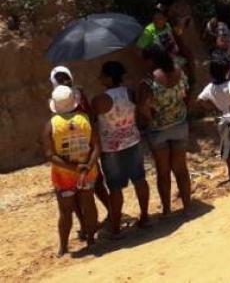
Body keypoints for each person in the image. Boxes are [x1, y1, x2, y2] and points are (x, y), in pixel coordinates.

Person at [90, 61, 150, 237]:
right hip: (133, 142)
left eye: (102, 74)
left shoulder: (99, 100)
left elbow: (93, 123)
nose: (99, 77)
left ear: (109, 78)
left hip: (111, 149)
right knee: (140, 180)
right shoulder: (130, 93)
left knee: (115, 188)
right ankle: (145, 217)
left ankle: (115, 228)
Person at [45, 85, 100, 256]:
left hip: (64, 175)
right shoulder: (85, 119)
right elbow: (96, 148)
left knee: (65, 211)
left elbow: (50, 155)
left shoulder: (51, 125)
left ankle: (63, 247)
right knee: (89, 204)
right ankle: (91, 238)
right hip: (87, 172)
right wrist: (85, 168)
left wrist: (72, 168)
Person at [138, 45, 191, 216]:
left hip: (158, 129)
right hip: (179, 124)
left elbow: (143, 107)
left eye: (145, 61)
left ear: (151, 61)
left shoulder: (148, 82)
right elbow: (186, 93)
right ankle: (187, 206)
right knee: (181, 168)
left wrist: (149, 120)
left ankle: (167, 209)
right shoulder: (179, 72)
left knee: (163, 171)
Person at [197, 58, 230, 183]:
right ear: (227, 71)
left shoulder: (209, 87)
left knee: (227, 148)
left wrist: (214, 108)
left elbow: (199, 100)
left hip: (222, 119)